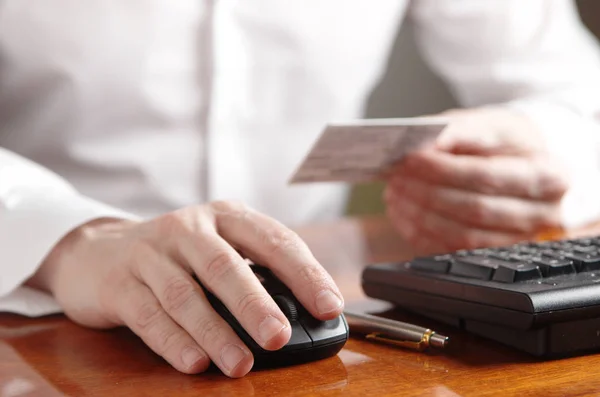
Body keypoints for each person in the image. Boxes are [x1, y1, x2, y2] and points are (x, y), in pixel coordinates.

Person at [1, 0, 600, 378]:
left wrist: (540, 143)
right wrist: (70, 238)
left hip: (319, 318)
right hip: (42, 325)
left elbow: (575, 89)